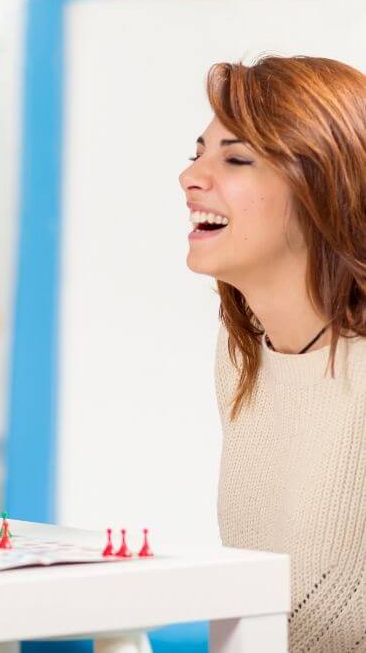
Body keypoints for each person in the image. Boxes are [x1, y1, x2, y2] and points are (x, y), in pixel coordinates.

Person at [180, 56, 366, 652]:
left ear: (324, 186)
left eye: (235, 159)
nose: (190, 178)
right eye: (199, 153)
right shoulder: (241, 356)